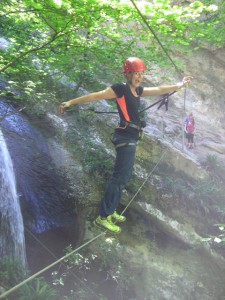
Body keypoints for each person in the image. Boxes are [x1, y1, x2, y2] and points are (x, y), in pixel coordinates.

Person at [59, 57, 193, 233]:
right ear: (128, 74)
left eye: (141, 73)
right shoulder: (120, 89)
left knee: (124, 176)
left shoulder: (137, 90)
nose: (139, 76)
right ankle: (103, 216)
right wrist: (70, 102)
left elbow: (160, 89)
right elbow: (96, 95)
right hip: (125, 137)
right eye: (136, 73)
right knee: (119, 177)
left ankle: (110, 210)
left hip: (131, 136)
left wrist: (179, 85)